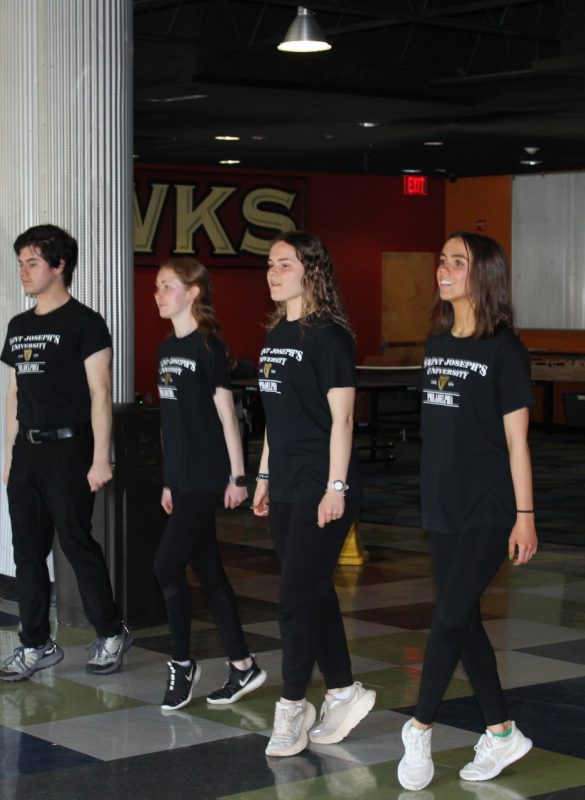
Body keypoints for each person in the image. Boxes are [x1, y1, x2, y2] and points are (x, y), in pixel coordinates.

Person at [397, 232, 538, 791]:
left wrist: (524, 514)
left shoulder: (506, 349)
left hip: (490, 507)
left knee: (450, 615)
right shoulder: (436, 344)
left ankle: (419, 724)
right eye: (442, 259)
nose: (443, 269)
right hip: (442, 502)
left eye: (458, 262)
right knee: (465, 619)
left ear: (484, 276)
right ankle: (502, 732)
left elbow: (518, 442)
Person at [251, 230, 375, 757]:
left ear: (311, 271)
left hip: (323, 484)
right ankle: (344, 691)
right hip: (284, 483)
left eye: (283, 264)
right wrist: (262, 477)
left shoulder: (330, 337)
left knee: (293, 599)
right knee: (312, 590)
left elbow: (343, 418)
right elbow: (276, 420)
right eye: (271, 265)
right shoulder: (276, 333)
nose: (272, 273)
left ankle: (292, 707)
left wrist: (336, 487)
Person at [0, 224, 130, 681]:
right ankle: (35, 644)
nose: (24, 272)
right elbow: (14, 394)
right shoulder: (19, 326)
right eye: (21, 263)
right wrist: (11, 453)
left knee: (75, 541)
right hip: (27, 451)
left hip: (71, 449)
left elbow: (100, 392)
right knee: (27, 552)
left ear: (59, 266)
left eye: (33, 263)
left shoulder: (85, 323)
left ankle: (111, 631)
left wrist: (100, 456)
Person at [152, 257, 266, 710]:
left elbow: (226, 415)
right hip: (179, 478)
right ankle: (242, 665)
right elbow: (170, 421)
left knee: (165, 565)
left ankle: (182, 663)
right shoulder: (165, 350)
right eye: (158, 287)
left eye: (167, 286)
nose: (158, 294)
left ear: (193, 292)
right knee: (210, 573)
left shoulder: (208, 347)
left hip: (205, 476)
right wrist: (166, 480)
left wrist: (239, 476)